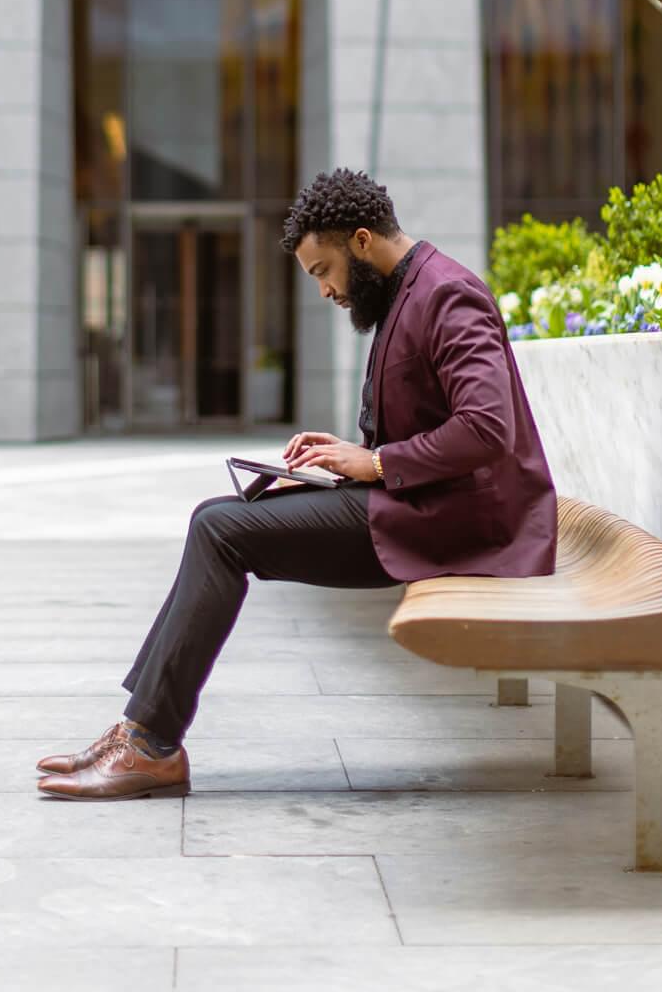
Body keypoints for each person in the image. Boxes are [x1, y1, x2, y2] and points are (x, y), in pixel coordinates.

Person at [36, 167, 558, 801]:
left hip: (457, 525)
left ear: (361, 241)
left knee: (223, 532)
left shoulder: (448, 294)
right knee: (216, 518)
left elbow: (486, 427)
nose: (325, 291)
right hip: (420, 503)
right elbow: (425, 429)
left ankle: (149, 743)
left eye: (323, 271)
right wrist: (345, 459)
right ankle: (140, 732)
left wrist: (377, 464)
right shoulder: (408, 292)